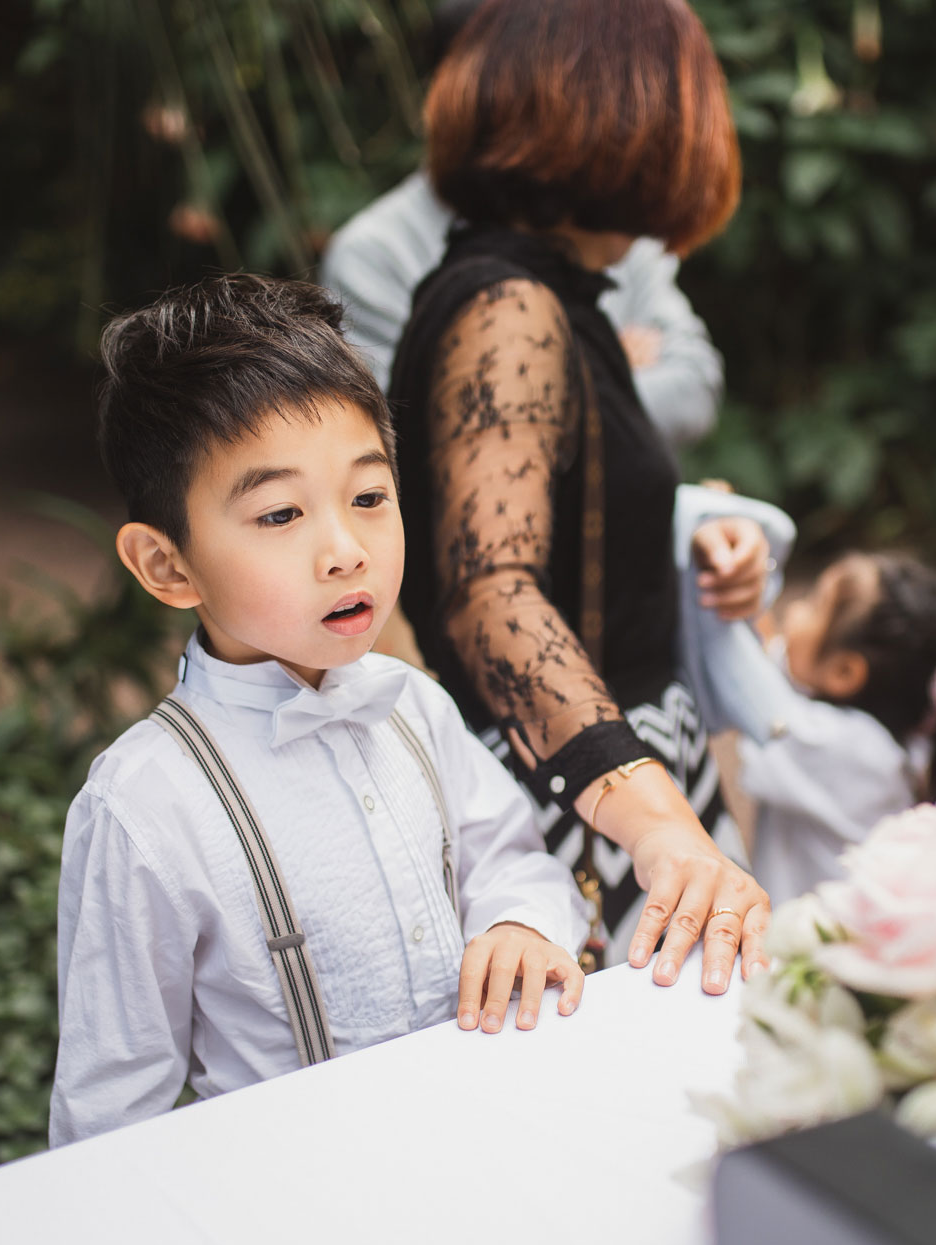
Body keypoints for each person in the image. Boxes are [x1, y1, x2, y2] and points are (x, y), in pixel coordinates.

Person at [49, 275, 588, 1147]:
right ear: (166, 565)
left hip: (495, 1136)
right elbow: (111, 1106)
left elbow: (510, 855)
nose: (345, 551)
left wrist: (521, 921)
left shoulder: (414, 704)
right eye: (280, 514)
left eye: (370, 498)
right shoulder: (146, 804)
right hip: (297, 1205)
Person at [387, 0, 772, 997]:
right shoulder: (508, 305)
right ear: (626, 108)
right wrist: (652, 817)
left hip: (612, 783)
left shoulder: (547, 294)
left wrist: (691, 533)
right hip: (574, 810)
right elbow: (488, 587)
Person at [319, 0, 724, 455]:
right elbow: (421, 441)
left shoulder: (607, 227)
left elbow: (695, 387)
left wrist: (533, 391)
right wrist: (608, 371)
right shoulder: (380, 253)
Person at [700, 539, 936, 903]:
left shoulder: (845, 750)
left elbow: (743, 674)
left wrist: (715, 571)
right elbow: (770, 661)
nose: (795, 609)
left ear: (845, 672)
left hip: (812, 947)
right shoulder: (896, 738)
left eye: (814, 604)